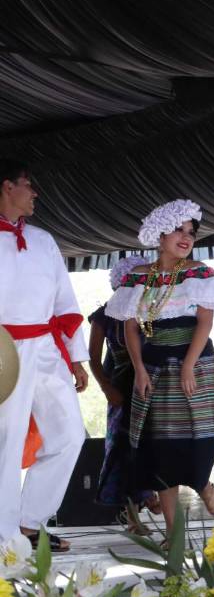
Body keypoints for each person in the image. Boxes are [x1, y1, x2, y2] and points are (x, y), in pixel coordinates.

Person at [106, 199, 214, 539]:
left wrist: (188, 365)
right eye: (179, 229)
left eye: (191, 232)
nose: (187, 237)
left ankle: (202, 482)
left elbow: (205, 320)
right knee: (160, 446)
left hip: (195, 359)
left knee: (198, 438)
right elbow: (130, 328)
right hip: (154, 362)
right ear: (160, 235)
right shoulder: (138, 277)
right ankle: (175, 536)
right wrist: (140, 370)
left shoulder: (199, 272)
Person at [0, 158, 88, 551]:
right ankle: (5, 535)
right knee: (6, 439)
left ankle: (29, 522)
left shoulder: (43, 240)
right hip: (3, 348)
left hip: (46, 347)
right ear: (7, 187)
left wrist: (77, 357)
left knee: (70, 434)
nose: (34, 193)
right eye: (28, 185)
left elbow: (64, 302)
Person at [89, 254, 160, 534]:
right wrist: (106, 388)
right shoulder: (105, 314)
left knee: (154, 445)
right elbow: (93, 358)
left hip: (153, 383)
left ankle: (151, 494)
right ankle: (133, 517)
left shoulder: (152, 308)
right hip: (121, 385)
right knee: (125, 451)